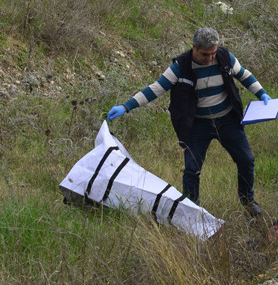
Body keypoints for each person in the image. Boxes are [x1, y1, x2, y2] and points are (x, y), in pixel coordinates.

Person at [106, 27, 269, 217]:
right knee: (192, 170)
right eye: (205, 54)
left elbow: (244, 75)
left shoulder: (225, 58)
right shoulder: (180, 66)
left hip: (227, 120)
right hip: (198, 125)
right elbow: (155, 89)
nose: (210, 58)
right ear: (194, 48)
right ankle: (191, 212)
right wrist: (126, 107)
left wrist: (262, 93)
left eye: (213, 53)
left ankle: (247, 201)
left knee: (246, 160)